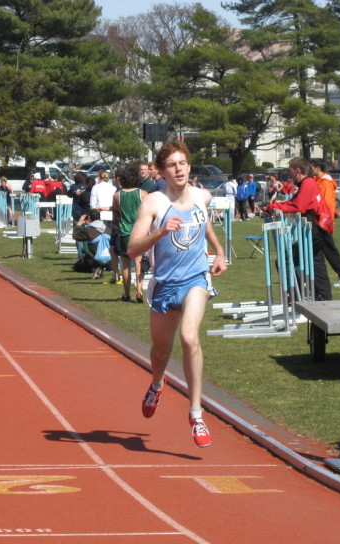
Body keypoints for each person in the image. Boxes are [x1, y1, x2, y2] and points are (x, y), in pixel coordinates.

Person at [127, 141, 227, 448]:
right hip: (163, 284)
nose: (179, 168)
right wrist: (160, 231)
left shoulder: (201, 196)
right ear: (162, 171)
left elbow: (204, 221)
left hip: (195, 279)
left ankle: (196, 413)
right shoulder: (153, 204)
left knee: (189, 337)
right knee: (160, 352)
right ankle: (157, 384)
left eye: (183, 163)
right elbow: (132, 249)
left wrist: (219, 251)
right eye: (172, 164)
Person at [265, 157, 332, 301]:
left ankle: (305, 297)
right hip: (314, 227)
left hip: (315, 228)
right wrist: (280, 205)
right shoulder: (306, 183)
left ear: (297, 170)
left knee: (297, 262)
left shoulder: (308, 183)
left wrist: (274, 206)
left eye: (290, 171)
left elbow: (299, 207)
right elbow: (295, 203)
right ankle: (308, 296)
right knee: (308, 263)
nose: (289, 175)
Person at [310, 160, 340, 288]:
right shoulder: (318, 181)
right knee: (318, 250)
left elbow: (326, 203)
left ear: (317, 168)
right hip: (319, 220)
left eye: (311, 168)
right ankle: (315, 276)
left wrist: (322, 219)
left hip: (323, 221)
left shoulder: (326, 183)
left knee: (329, 249)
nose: (310, 170)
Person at [113, 165, 147, 303]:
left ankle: (126, 294)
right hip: (140, 231)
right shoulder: (143, 194)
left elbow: (117, 212)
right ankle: (139, 291)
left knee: (126, 264)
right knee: (139, 262)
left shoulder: (117, 195)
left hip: (125, 232)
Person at [72, 208, 109, 278]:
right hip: (108, 259)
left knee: (77, 267)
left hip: (93, 259)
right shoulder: (108, 229)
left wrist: (79, 223)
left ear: (89, 218)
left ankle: (95, 268)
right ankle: (102, 268)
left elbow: (75, 235)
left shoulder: (89, 230)